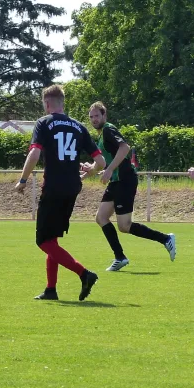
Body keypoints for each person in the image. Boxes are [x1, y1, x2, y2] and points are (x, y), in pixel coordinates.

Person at [15, 85, 106, 301]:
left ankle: (84, 274)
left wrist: (23, 180)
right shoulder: (78, 126)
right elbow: (101, 161)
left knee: (43, 242)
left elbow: (35, 153)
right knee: (52, 240)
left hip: (54, 186)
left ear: (47, 104)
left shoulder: (44, 123)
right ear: (63, 103)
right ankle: (51, 289)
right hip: (73, 187)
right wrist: (89, 172)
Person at [82, 102, 175, 272]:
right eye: (91, 117)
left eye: (97, 116)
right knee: (101, 217)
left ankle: (165, 239)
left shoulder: (109, 129)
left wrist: (109, 169)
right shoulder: (102, 136)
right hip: (116, 181)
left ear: (104, 116)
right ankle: (120, 257)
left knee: (124, 226)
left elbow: (125, 147)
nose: (94, 119)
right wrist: (86, 174)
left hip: (125, 179)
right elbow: (102, 164)